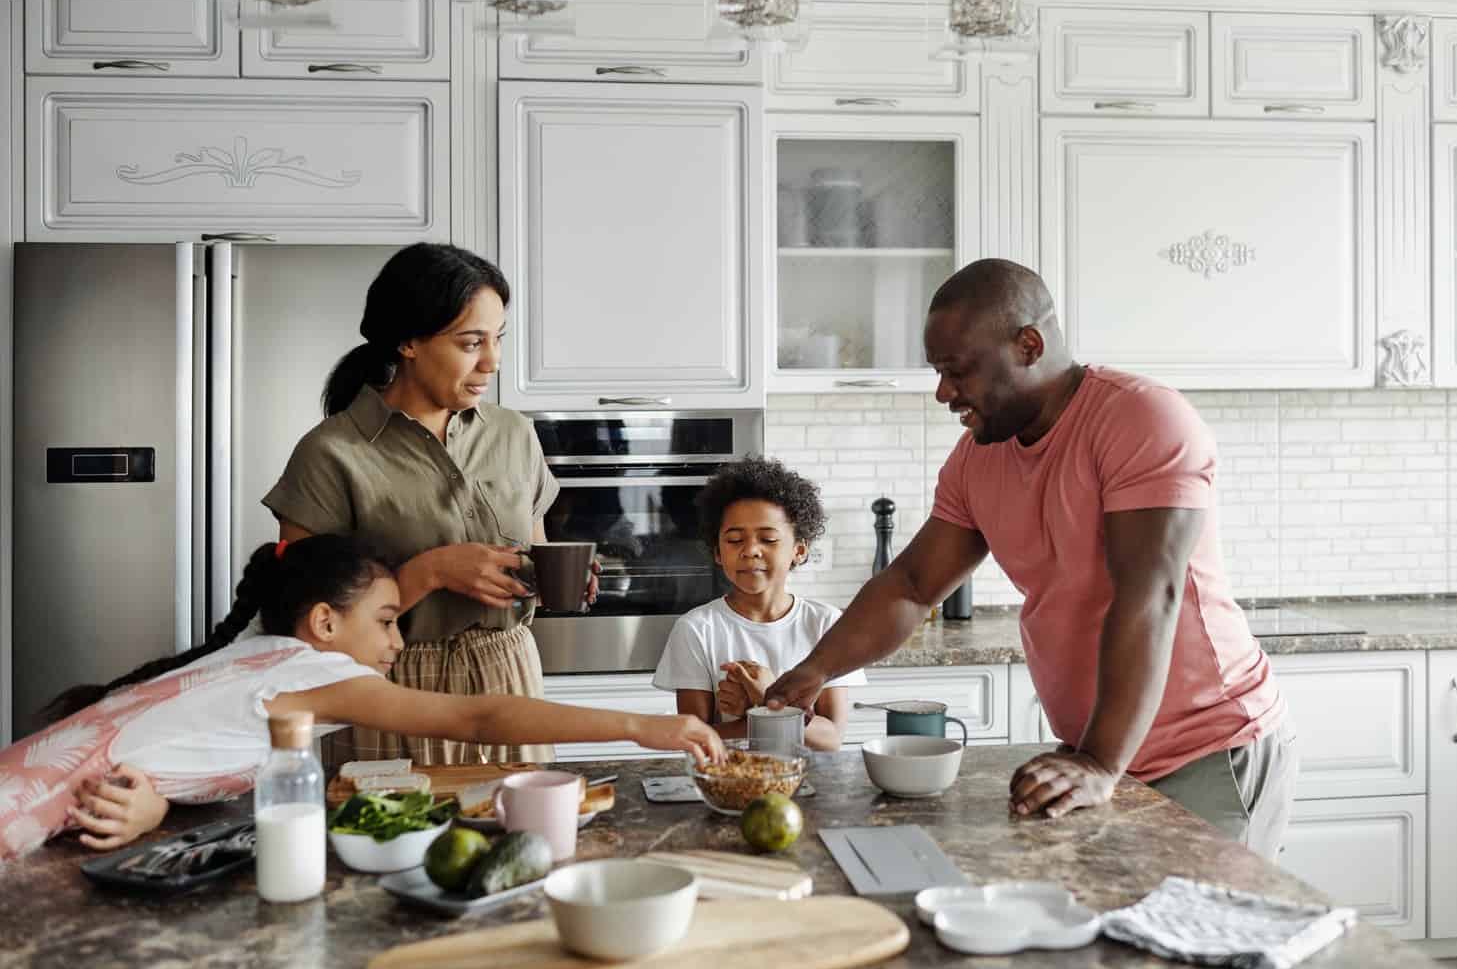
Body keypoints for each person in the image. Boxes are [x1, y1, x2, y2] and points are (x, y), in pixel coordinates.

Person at [763, 259, 1297, 860]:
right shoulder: (977, 457)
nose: (943, 392)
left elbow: (1149, 596)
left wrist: (1099, 760)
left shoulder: (1141, 419)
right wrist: (816, 669)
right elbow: (912, 585)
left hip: (1205, 750)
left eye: (957, 370)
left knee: (1199, 946)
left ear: (1028, 345)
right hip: (1096, 754)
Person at [0, 536, 723, 861]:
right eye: (385, 621)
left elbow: (176, 753)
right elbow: (479, 715)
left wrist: (155, 805)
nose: (398, 643)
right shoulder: (308, 672)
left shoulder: (254, 657)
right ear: (323, 624)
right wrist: (643, 724)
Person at [263, 242, 592, 766]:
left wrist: (550, 578)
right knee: (397, 842)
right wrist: (431, 571)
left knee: (523, 842)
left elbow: (533, 556)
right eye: (470, 342)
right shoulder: (330, 454)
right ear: (408, 341)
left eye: (497, 339)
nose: (493, 361)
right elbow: (302, 627)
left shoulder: (515, 435)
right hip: (393, 692)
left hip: (509, 677)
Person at [653, 457, 864, 752]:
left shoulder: (826, 623)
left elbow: (830, 739)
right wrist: (766, 710)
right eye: (735, 539)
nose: (751, 550)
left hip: (812, 787)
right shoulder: (696, 629)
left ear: (799, 550)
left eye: (768, 539)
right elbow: (695, 740)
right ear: (717, 552)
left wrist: (764, 699)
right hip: (729, 787)